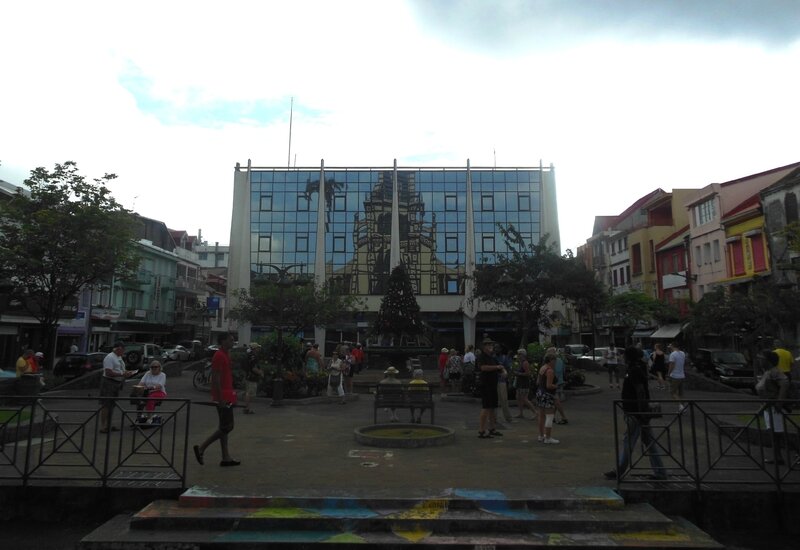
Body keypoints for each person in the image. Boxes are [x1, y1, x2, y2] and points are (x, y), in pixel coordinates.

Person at [604, 346, 667, 480]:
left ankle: (619, 470)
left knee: (629, 442)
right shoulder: (637, 368)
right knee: (649, 442)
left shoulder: (635, 370)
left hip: (635, 413)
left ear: (628, 357)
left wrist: (640, 412)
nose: (622, 357)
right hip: (638, 412)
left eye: (624, 355)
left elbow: (640, 392)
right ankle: (660, 472)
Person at [193, 332, 240, 467]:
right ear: (223, 341)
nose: (233, 342)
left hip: (227, 394)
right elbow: (216, 378)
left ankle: (226, 457)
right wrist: (220, 399)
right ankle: (202, 448)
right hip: (223, 396)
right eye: (231, 340)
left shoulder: (225, 355)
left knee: (224, 427)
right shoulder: (219, 356)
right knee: (227, 426)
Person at [756, 350, 791, 465]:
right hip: (767, 407)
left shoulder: (774, 371)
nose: (759, 360)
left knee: (779, 433)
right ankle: (777, 457)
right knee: (773, 434)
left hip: (774, 408)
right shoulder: (767, 372)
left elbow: (785, 383)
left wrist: (779, 403)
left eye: (762, 358)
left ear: (768, 361)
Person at [99, 341, 136, 433]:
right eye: (123, 349)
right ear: (118, 348)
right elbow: (108, 372)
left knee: (112, 405)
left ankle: (108, 425)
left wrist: (127, 372)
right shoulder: (110, 357)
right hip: (109, 382)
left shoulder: (118, 357)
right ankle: (103, 426)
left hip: (116, 383)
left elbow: (120, 369)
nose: (124, 351)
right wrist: (122, 374)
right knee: (106, 404)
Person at [477, 337, 504, 439]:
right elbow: (483, 367)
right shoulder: (481, 356)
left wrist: (503, 371)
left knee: (493, 407)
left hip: (493, 385)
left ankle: (492, 428)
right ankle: (481, 430)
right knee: (486, 407)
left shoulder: (492, 357)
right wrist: (496, 368)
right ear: (484, 347)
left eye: (491, 345)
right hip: (486, 385)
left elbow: (500, 367)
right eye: (488, 345)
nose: (490, 347)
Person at [535, 354, 560, 444]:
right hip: (547, 394)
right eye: (555, 361)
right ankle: (548, 437)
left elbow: (538, 381)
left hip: (540, 393)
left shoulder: (542, 368)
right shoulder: (550, 371)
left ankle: (541, 435)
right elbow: (549, 385)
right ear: (551, 361)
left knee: (541, 416)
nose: (556, 363)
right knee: (549, 415)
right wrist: (556, 386)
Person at [547, 346, 569, 424]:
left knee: (556, 401)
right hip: (560, 382)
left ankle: (563, 417)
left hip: (554, 383)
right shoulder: (560, 360)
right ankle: (552, 416)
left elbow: (551, 372)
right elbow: (563, 371)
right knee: (555, 401)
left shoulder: (552, 362)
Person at [513, 348, 537, 420]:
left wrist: (518, 373)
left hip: (524, 383)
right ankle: (521, 413)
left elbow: (528, 373)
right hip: (519, 383)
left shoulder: (525, 363)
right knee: (518, 397)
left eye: (519, 354)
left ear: (523, 355)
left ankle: (535, 412)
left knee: (524, 399)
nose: (518, 356)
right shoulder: (520, 362)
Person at [242, 344, 264, 415]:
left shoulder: (248, 355)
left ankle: (247, 408)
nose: (259, 349)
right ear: (254, 348)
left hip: (248, 376)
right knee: (250, 393)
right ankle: (247, 408)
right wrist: (260, 373)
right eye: (258, 348)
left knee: (248, 392)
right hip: (252, 377)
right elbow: (254, 368)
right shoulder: (254, 357)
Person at [667, 341, 687, 412]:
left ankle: (681, 406)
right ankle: (682, 407)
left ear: (673, 346)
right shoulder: (683, 353)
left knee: (672, 392)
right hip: (682, 375)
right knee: (681, 393)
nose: (670, 348)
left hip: (675, 376)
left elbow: (671, 365)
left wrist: (668, 374)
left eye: (670, 346)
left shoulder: (673, 354)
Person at [496, 346, 513, 423]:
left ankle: (508, 417)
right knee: (494, 400)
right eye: (495, 348)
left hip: (502, 381)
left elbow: (509, 369)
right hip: (493, 381)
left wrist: (509, 381)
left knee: (504, 400)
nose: (497, 349)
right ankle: (494, 418)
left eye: (498, 348)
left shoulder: (504, 358)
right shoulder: (492, 357)